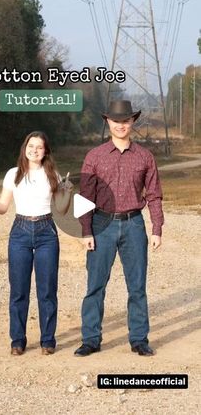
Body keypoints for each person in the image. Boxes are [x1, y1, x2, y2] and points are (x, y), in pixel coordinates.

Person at [74, 100, 164, 357]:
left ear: (132, 122)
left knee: (137, 286)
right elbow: (84, 197)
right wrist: (86, 231)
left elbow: (155, 195)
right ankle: (91, 339)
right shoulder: (94, 156)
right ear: (108, 122)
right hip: (101, 225)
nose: (121, 125)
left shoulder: (145, 157)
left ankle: (139, 339)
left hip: (134, 224)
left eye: (125, 120)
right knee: (95, 285)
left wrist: (156, 227)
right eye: (116, 121)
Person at [0, 131, 72, 356]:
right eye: (31, 146)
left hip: (46, 232)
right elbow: (4, 207)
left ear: (45, 152)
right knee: (19, 290)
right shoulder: (13, 175)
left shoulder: (53, 174)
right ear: (25, 148)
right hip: (20, 232)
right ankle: (17, 340)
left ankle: (48, 340)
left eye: (39, 147)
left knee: (47, 290)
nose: (34, 150)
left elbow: (61, 211)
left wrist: (66, 194)